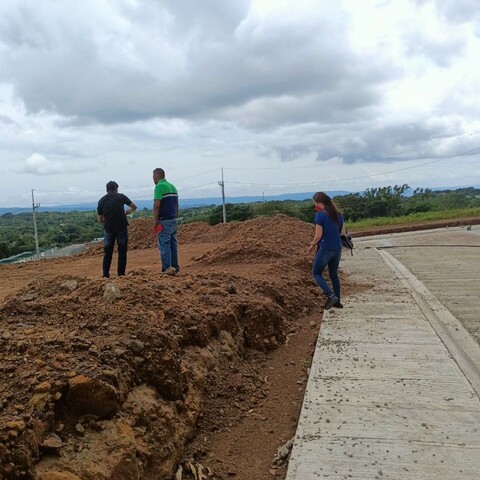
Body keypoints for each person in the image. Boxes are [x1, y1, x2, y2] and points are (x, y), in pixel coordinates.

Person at [307, 191, 347, 310]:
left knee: (316, 273)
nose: (315, 205)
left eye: (315, 203)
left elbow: (318, 235)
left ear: (319, 203)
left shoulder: (320, 216)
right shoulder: (338, 214)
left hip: (326, 248)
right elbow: (343, 232)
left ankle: (330, 296)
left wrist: (312, 244)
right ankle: (337, 302)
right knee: (334, 275)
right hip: (337, 248)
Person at [97, 181, 137, 278]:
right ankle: (121, 275)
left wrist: (108, 219)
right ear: (116, 189)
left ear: (107, 190)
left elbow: (100, 220)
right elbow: (134, 206)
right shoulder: (121, 197)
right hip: (121, 227)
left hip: (109, 229)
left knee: (108, 253)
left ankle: (105, 275)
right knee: (122, 252)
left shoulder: (101, 201)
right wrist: (126, 213)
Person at [152, 168, 179, 274]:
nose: (153, 180)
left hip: (164, 220)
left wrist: (155, 221)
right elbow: (177, 204)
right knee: (173, 245)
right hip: (173, 219)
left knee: (164, 245)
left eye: (153, 177)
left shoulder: (159, 187)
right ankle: (175, 268)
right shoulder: (172, 186)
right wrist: (175, 216)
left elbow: (156, 205)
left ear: (156, 177)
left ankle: (167, 269)